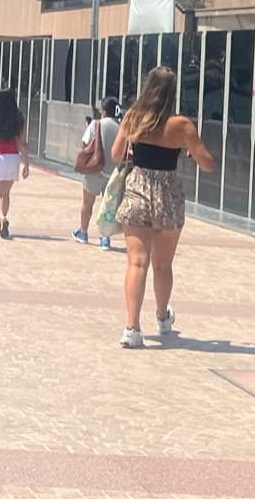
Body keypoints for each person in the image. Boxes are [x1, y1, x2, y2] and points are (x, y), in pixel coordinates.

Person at [110, 64, 215, 349]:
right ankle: (162, 317)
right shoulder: (181, 125)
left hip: (137, 191)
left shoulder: (133, 117)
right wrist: (189, 151)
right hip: (168, 194)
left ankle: (132, 328)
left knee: (136, 262)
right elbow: (207, 163)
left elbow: (116, 154)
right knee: (162, 264)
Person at [72, 98, 122, 249]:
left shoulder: (96, 124)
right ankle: (105, 238)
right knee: (108, 206)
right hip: (113, 172)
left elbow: (85, 144)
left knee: (87, 203)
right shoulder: (120, 127)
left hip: (95, 169)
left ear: (103, 110)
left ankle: (83, 232)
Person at [0, 87, 27, 239]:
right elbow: (22, 143)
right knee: (6, 194)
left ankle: (2, 218)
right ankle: (0, 225)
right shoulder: (19, 118)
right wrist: (26, 164)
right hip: (14, 158)